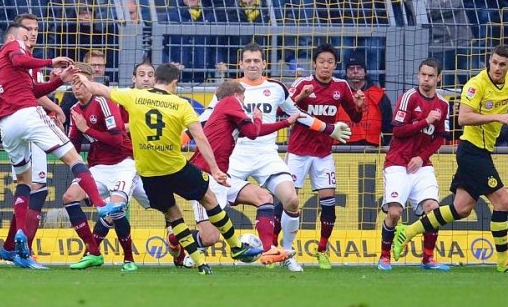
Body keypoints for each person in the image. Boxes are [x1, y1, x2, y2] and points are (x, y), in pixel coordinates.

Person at [74, 62, 255, 275]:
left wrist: (83, 79)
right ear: (175, 82)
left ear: (156, 78)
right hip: (175, 167)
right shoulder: (181, 105)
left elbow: (99, 89)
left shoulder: (133, 97)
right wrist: (214, 169)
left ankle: (200, 263)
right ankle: (235, 246)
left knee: (172, 214)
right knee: (208, 198)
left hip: (149, 173)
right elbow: (200, 139)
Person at [0, 23, 122, 269]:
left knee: (24, 182)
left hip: (7, 124)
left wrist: (59, 80)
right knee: (75, 160)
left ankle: (19, 235)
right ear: (12, 37)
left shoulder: (13, 66)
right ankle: (102, 207)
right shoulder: (14, 48)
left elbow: (34, 90)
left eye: (34, 32)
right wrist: (50, 61)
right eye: (26, 32)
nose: (30, 36)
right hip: (28, 115)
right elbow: (21, 61)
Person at [222, 42, 351, 272]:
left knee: (291, 199)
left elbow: (297, 114)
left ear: (264, 63)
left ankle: (286, 252)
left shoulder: (277, 88)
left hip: (267, 156)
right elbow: (209, 119)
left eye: (256, 61)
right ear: (240, 64)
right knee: (215, 207)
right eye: (248, 61)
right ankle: (199, 246)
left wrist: (328, 129)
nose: (252, 65)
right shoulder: (229, 88)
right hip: (236, 155)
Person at [392, 45, 508, 272]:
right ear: (489, 61)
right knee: (503, 201)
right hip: (472, 151)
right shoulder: (476, 85)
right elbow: (463, 118)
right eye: (494, 62)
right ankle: (504, 262)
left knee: (462, 208)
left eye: (502, 64)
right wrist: (498, 117)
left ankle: (408, 231)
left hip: (482, 151)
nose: (497, 68)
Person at [189, 80, 296, 265]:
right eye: (244, 97)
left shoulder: (227, 115)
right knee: (210, 238)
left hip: (222, 177)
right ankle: (175, 239)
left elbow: (253, 131)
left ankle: (268, 250)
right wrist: (258, 117)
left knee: (264, 197)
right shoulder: (230, 102)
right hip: (204, 179)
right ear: (237, 95)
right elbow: (255, 130)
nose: (244, 101)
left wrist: (285, 123)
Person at [287, 43, 364, 269]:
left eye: (330, 62)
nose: (325, 66)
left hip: (323, 154)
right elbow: (285, 110)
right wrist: (301, 96)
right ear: (314, 64)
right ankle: (278, 248)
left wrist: (359, 106)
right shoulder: (303, 84)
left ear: (335, 65)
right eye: (321, 62)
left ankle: (322, 250)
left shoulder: (341, 86)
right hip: (298, 153)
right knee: (288, 201)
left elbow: (356, 118)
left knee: (329, 204)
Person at [63, 62, 144, 271]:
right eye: (73, 82)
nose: (76, 87)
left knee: (117, 209)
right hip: (98, 166)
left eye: (80, 82)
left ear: (90, 82)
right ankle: (93, 251)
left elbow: (117, 140)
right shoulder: (74, 109)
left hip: (123, 163)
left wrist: (87, 128)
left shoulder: (104, 102)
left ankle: (129, 259)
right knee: (69, 198)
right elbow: (74, 143)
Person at [377, 58, 450, 272]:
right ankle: (384, 257)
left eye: (430, 76)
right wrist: (425, 121)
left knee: (433, 210)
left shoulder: (443, 104)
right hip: (398, 162)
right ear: (418, 75)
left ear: (439, 78)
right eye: (422, 75)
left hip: (422, 164)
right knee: (394, 213)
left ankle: (428, 258)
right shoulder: (409, 97)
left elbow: (439, 138)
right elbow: (398, 131)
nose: (425, 79)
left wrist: (422, 157)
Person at [338, 53, 393, 147]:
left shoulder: (379, 96)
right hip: (338, 148)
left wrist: (383, 144)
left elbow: (388, 127)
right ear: (346, 72)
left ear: (365, 72)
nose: (355, 71)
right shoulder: (337, 94)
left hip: (371, 150)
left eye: (359, 68)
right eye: (351, 68)